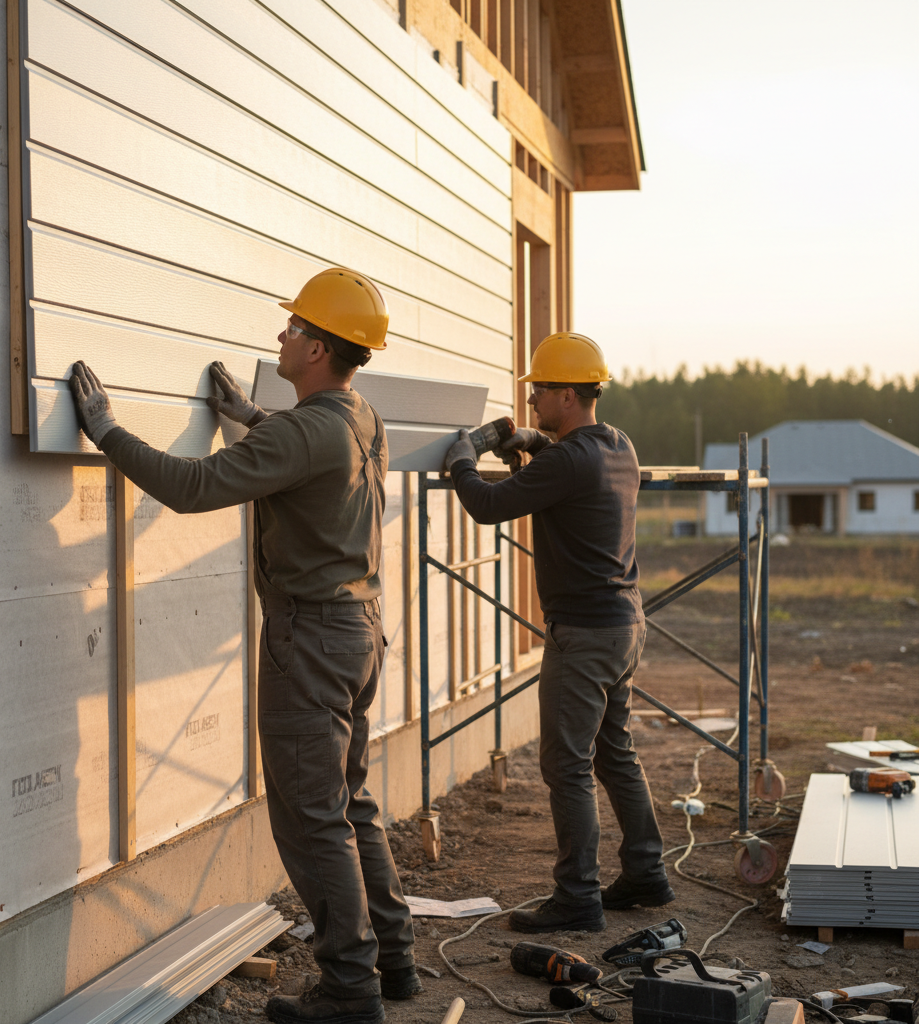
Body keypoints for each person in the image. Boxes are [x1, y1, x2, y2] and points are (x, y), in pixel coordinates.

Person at [69, 268, 418, 1024]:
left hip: (311, 641)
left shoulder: (305, 430)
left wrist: (106, 431)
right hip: (357, 632)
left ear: (319, 349)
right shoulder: (360, 417)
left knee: (310, 816)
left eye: (294, 328)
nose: (281, 335)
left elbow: (192, 487)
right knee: (349, 802)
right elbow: (307, 455)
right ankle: (392, 960)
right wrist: (256, 416)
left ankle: (350, 991)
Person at [442, 332, 674, 933]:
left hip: (586, 634)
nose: (533, 401)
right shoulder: (618, 446)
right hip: (625, 626)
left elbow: (487, 506)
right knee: (612, 753)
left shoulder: (569, 460)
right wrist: (535, 442)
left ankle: (577, 896)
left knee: (566, 765)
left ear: (567, 394)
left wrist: (463, 456)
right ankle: (646, 872)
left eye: (541, 392)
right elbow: (572, 463)